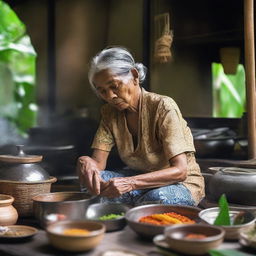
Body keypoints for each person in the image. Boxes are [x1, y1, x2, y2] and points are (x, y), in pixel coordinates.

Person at [77, 46, 205, 206]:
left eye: (114, 86)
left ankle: (133, 206)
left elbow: (180, 171)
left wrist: (130, 183)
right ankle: (138, 205)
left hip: (178, 183)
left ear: (134, 76)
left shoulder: (163, 107)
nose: (110, 96)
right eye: (102, 91)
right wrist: (86, 162)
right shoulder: (109, 113)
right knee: (90, 182)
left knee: (158, 198)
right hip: (138, 179)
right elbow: (98, 165)